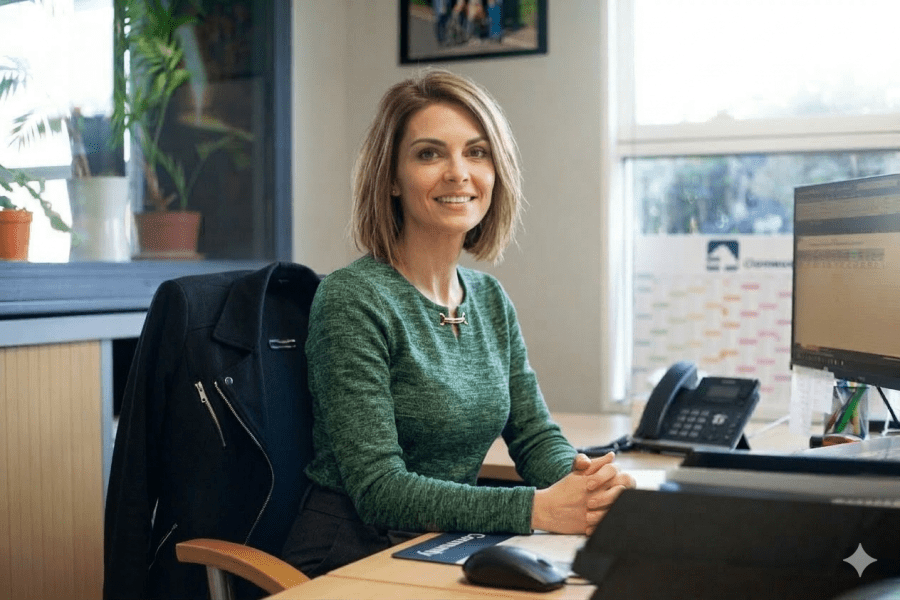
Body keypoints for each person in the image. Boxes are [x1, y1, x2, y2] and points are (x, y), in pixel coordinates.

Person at [281, 69, 635, 577]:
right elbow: (379, 489)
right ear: (392, 179)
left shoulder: (488, 298)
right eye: (429, 154)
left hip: (443, 545)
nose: (458, 172)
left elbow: (533, 435)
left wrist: (585, 486)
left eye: (477, 152)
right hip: (351, 557)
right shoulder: (354, 298)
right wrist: (540, 509)